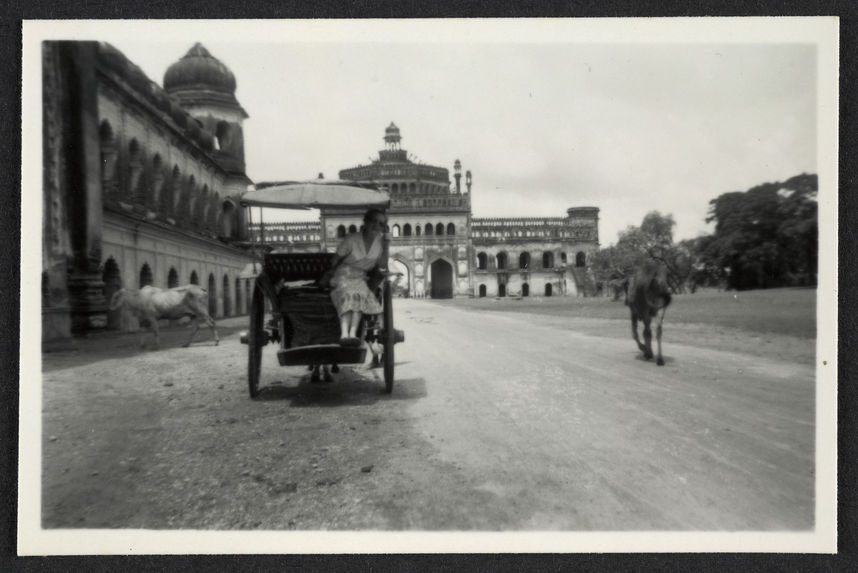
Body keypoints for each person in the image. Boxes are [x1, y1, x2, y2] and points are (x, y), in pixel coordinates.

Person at [325, 208, 387, 346]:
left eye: (381, 224)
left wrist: (386, 246)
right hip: (343, 275)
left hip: (360, 278)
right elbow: (334, 261)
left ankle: (352, 334)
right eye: (373, 221)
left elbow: (382, 264)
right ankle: (344, 334)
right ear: (365, 221)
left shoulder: (380, 242)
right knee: (350, 294)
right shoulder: (352, 239)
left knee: (359, 297)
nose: (377, 226)